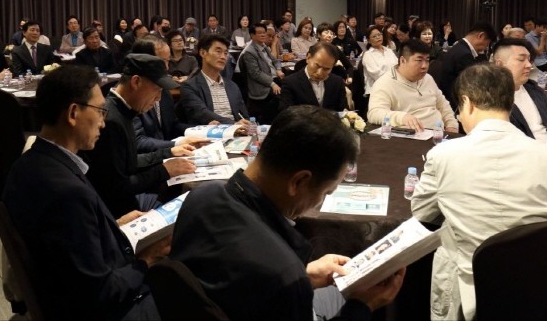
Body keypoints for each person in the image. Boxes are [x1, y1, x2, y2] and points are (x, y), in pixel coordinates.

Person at [170, 105, 405, 321]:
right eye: (327, 192)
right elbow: (270, 278)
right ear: (299, 181)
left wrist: (306, 275)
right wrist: (362, 306)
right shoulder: (284, 275)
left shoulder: (202, 195)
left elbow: (232, 278)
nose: (321, 201)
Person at [411, 63, 547, 320]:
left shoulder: (443, 155)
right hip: (533, 287)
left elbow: (422, 212)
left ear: (467, 103)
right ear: (510, 102)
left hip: (464, 289)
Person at [2, 66, 167, 320]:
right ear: (73, 113)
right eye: (100, 110)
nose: (103, 121)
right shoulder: (67, 193)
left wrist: (112, 226)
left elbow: (66, 244)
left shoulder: (28, 163)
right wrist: (146, 259)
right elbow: (99, 293)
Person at [80, 54, 198, 218]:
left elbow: (127, 162)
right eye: (157, 90)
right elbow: (115, 187)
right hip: (120, 213)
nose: (158, 98)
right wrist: (164, 170)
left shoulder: (124, 111)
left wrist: (168, 153)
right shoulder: (112, 121)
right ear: (136, 82)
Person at [367, 39, 458, 132]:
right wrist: (402, 117)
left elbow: (443, 105)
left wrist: (452, 125)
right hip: (411, 136)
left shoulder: (428, 78)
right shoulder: (385, 83)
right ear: (403, 60)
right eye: (419, 60)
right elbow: (374, 113)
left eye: (427, 60)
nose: (424, 66)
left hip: (439, 134)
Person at [131, 35, 195, 152]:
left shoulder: (163, 87)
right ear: (144, 61)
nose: (166, 67)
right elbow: (138, 142)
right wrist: (175, 144)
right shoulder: (132, 93)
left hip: (165, 153)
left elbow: (173, 125)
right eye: (162, 61)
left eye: (168, 60)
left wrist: (201, 131)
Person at [492, 38, 547, 142]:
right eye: (521, 60)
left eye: (529, 60)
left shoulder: (535, 89)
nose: (529, 65)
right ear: (499, 64)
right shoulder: (490, 98)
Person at [179, 34, 249, 125]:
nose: (223, 57)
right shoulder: (189, 86)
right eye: (218, 51)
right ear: (203, 53)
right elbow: (202, 113)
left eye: (225, 53)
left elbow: (244, 116)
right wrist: (233, 124)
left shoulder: (232, 86)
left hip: (237, 131)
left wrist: (246, 124)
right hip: (209, 131)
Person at [439, 21, 497, 110]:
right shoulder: (464, 54)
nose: (486, 47)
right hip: (456, 106)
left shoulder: (459, 47)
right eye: (487, 44)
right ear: (480, 36)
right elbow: (475, 84)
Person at [280, 42, 348, 112]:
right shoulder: (290, 83)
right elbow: (287, 114)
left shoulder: (337, 82)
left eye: (326, 69)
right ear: (308, 58)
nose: (319, 73)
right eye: (317, 66)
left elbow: (343, 111)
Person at [240, 23, 284, 123]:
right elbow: (256, 74)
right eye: (260, 33)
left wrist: (278, 69)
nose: (263, 35)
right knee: (281, 100)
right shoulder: (249, 52)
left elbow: (275, 60)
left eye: (264, 32)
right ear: (252, 35)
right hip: (262, 86)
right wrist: (272, 83)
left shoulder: (264, 47)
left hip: (274, 79)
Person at [361, 25, 398, 96]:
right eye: (374, 36)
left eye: (379, 35)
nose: (378, 37)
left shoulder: (389, 51)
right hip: (377, 90)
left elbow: (398, 67)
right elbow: (377, 75)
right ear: (368, 40)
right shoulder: (368, 55)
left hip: (394, 86)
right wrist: (395, 80)